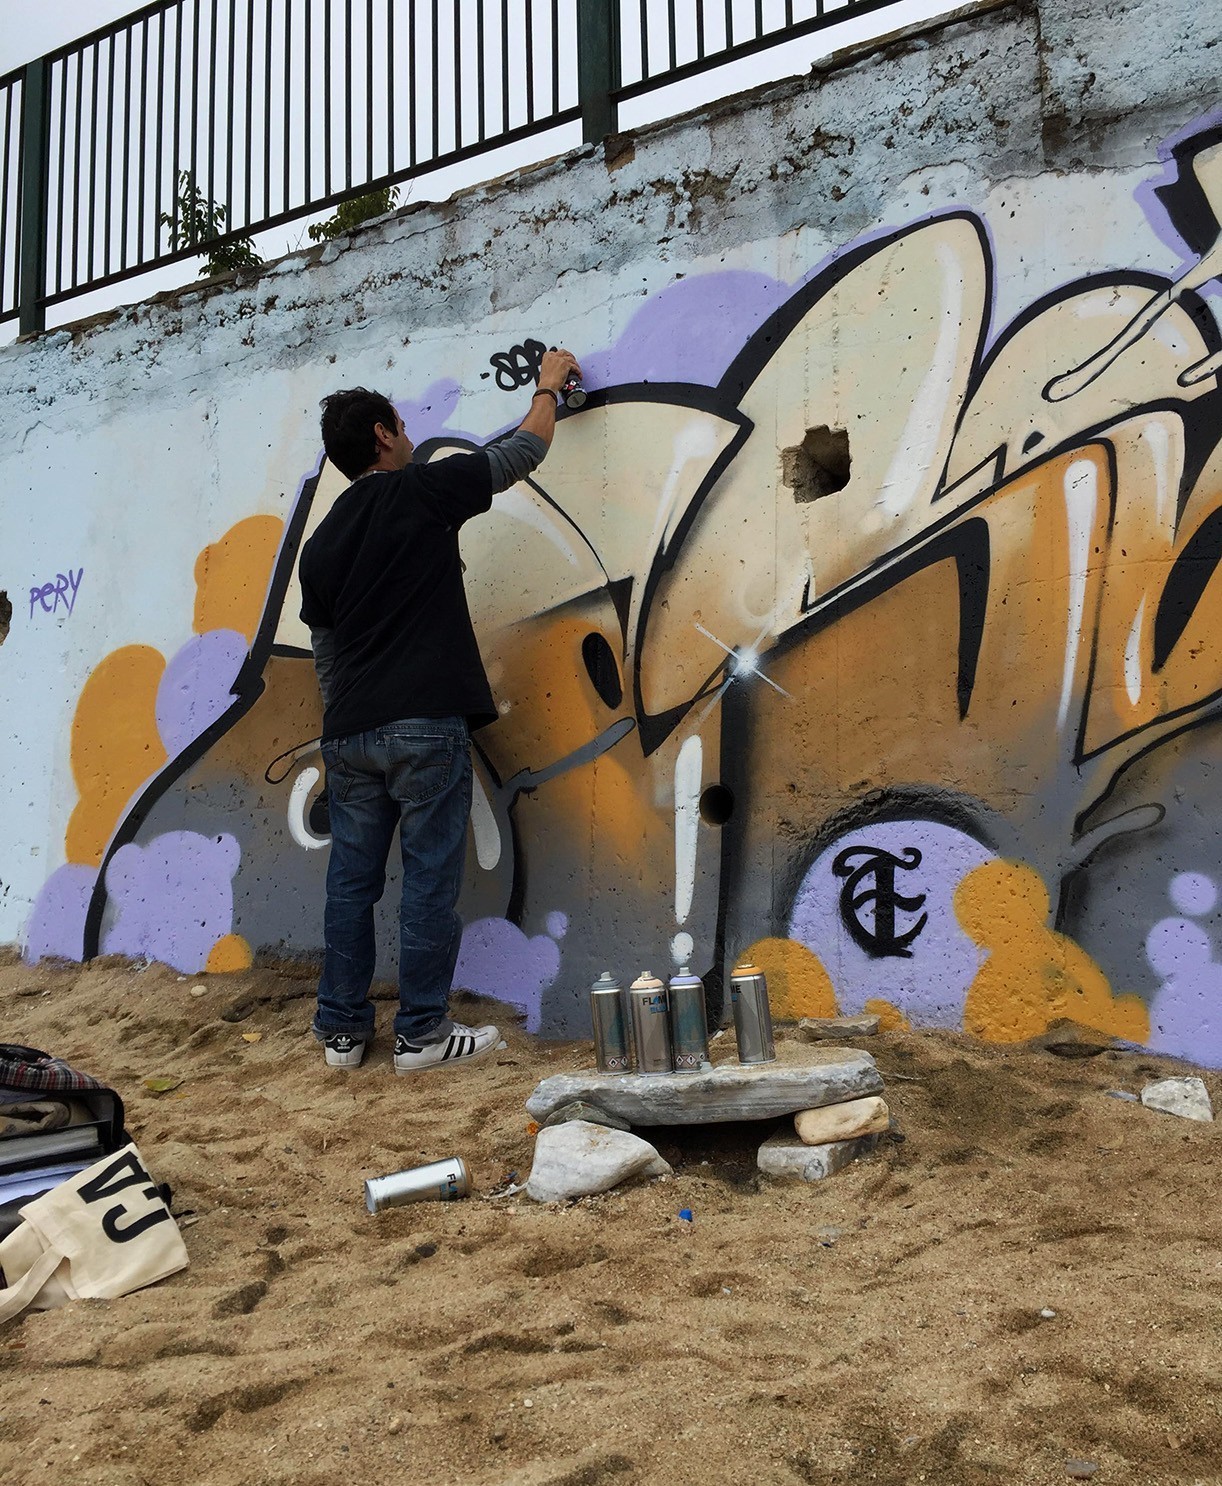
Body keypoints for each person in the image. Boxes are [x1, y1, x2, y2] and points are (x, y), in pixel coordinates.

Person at [298, 347, 581, 1073]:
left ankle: (342, 1033)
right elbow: (521, 452)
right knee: (427, 881)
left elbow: (326, 656)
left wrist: (345, 728)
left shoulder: (319, 546)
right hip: (424, 723)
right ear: (384, 435)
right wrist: (547, 388)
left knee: (350, 886)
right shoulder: (421, 490)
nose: (409, 434)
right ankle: (421, 1034)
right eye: (401, 424)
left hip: (349, 734)